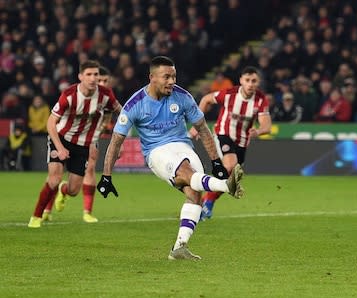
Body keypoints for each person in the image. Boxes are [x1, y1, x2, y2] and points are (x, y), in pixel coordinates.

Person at [96, 56, 244, 260]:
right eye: (166, 77)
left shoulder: (182, 96)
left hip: (183, 146)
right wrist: (106, 176)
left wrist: (216, 162)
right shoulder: (135, 104)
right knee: (186, 172)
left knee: (195, 193)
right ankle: (227, 186)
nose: (172, 81)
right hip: (156, 151)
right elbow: (116, 141)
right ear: (152, 78)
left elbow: (202, 129)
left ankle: (179, 247)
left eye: (173, 76)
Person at [27, 60, 122, 228]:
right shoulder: (69, 95)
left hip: (83, 146)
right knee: (54, 178)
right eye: (89, 74)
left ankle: (64, 191)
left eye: (96, 75)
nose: (93, 78)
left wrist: (119, 143)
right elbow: (50, 123)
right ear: (80, 77)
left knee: (73, 190)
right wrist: (61, 148)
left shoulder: (105, 95)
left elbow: (122, 114)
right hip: (61, 139)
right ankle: (36, 216)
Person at [190, 66, 272, 220]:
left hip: (242, 142)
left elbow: (266, 126)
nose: (250, 84)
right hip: (223, 134)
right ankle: (206, 203)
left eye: (254, 81)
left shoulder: (260, 100)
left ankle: (206, 201)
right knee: (230, 166)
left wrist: (258, 131)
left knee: (232, 177)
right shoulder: (229, 94)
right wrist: (197, 126)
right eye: (247, 80)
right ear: (241, 80)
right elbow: (206, 99)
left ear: (258, 82)